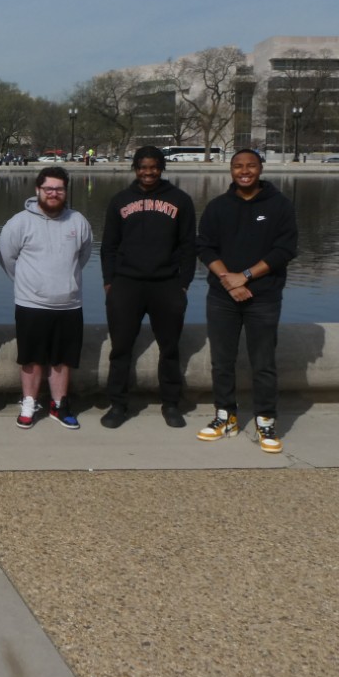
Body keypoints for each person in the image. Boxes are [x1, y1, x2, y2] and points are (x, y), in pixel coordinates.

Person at [195, 148, 298, 453]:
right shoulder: (217, 207)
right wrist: (230, 280)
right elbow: (204, 247)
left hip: (263, 297)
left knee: (263, 362)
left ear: (260, 169)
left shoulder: (280, 206)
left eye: (250, 166)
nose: (244, 171)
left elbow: (284, 250)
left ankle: (265, 420)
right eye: (238, 166)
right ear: (230, 170)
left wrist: (247, 276)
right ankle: (225, 416)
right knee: (221, 361)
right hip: (222, 296)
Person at [99, 146, 197, 429]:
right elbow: (108, 246)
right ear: (135, 169)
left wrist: (183, 284)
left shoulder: (180, 200)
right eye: (143, 167)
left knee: (170, 349)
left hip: (167, 285)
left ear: (162, 168)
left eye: (153, 167)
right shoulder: (120, 200)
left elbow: (189, 245)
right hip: (126, 284)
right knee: (120, 349)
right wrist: (109, 282)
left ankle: (171, 403)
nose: (148, 172)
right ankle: (117, 404)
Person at [0, 166, 92, 430]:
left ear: (66, 191)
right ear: (38, 190)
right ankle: (29, 402)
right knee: (30, 358)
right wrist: (32, 282)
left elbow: (83, 256)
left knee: (63, 359)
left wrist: (65, 281)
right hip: (31, 303)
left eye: (59, 189)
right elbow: (6, 257)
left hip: (69, 303)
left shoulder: (78, 221)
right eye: (48, 188)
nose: (54, 193)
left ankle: (59, 405)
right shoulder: (19, 222)